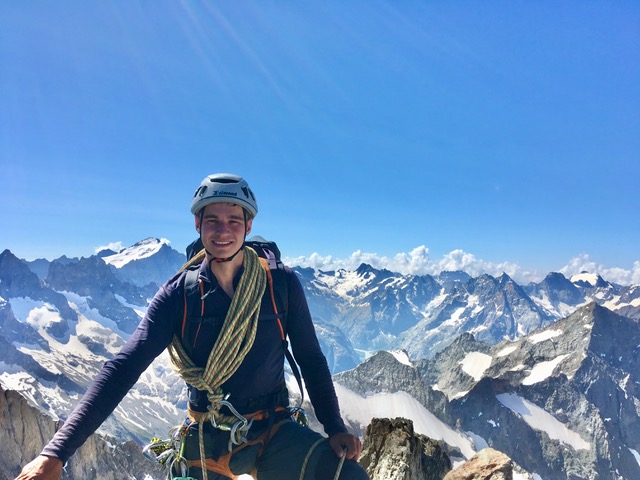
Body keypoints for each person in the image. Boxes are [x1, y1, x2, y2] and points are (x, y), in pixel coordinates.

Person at [16, 173, 369, 480]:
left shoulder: (280, 284)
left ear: (248, 226)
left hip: (273, 427)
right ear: (198, 225)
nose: (223, 231)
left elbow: (310, 358)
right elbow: (122, 369)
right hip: (209, 437)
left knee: (350, 476)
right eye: (212, 220)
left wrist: (335, 426)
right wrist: (55, 453)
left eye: (234, 220)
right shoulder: (177, 296)